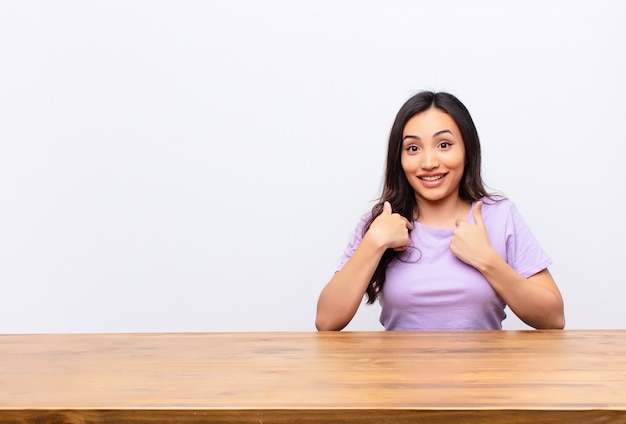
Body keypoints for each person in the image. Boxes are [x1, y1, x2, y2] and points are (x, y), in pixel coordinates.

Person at [315, 91, 565, 331]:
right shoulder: (381, 224)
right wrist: (374, 242)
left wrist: (486, 260)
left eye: (444, 145)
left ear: (467, 150)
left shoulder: (501, 216)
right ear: (399, 159)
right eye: (413, 148)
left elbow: (553, 318)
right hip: (398, 375)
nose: (428, 163)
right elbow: (326, 321)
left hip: (485, 375)